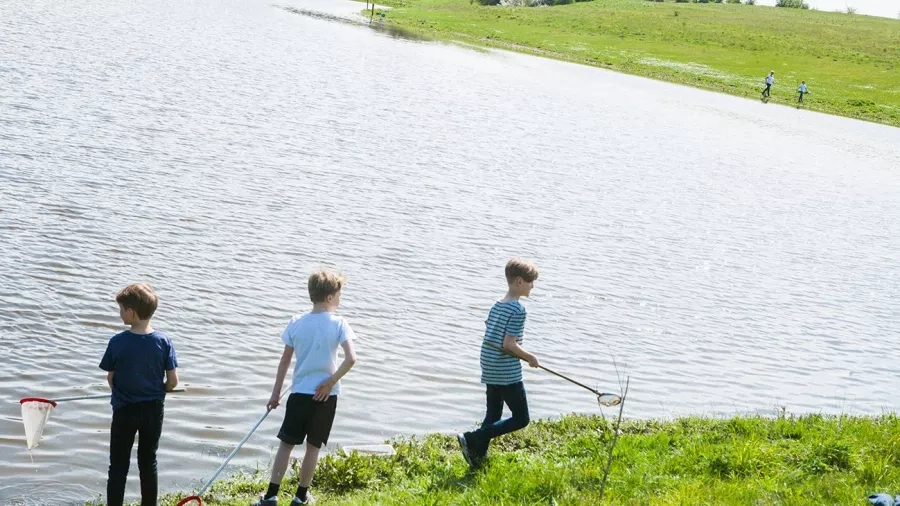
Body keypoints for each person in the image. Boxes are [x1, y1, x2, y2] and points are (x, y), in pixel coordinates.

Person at [254, 271, 358, 505]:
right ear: (330, 297)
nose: (341, 299)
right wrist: (330, 382)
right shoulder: (340, 323)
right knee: (312, 449)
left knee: (286, 445)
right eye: (340, 294)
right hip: (326, 396)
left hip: (299, 393)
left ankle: (271, 496)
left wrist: (274, 394)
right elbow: (351, 359)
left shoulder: (296, 322)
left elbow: (284, 361)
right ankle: (300, 497)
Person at [100, 283, 179, 506]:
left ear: (131, 312)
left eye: (121, 309)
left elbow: (110, 379)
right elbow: (173, 381)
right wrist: (160, 390)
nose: (119, 313)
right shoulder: (164, 342)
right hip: (153, 411)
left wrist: (122, 391)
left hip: (125, 411)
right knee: (148, 462)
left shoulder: (117, 342)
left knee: (118, 465)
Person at [458, 258, 540, 467]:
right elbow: (509, 345)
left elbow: (493, 336)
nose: (533, 286)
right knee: (522, 418)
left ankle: (478, 456)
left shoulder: (497, 305)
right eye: (531, 282)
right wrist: (530, 357)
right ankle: (473, 438)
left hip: (490, 365)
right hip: (506, 371)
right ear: (519, 282)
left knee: (493, 414)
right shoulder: (517, 310)